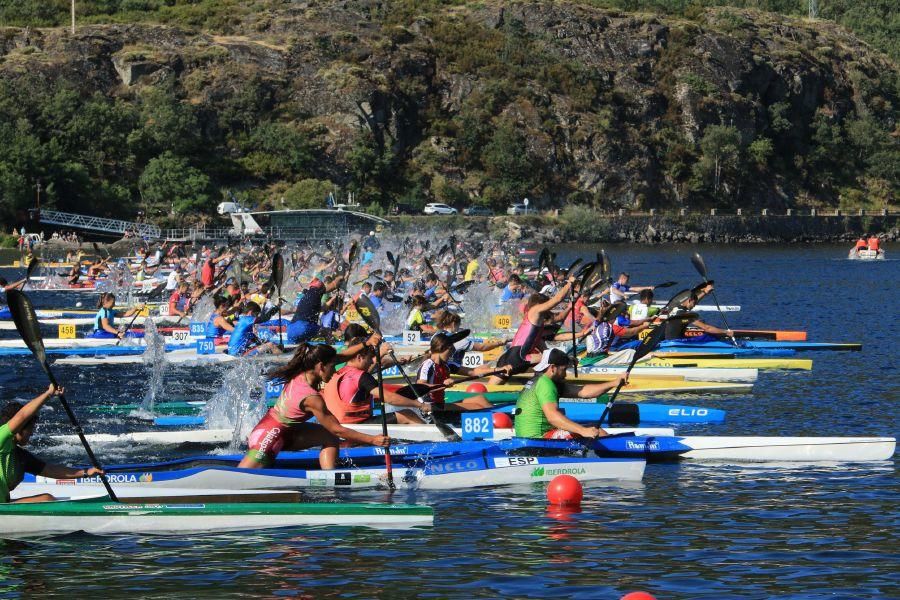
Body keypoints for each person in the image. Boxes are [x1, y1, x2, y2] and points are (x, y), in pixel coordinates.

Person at [237, 344, 391, 470]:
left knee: (329, 438)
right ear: (321, 366)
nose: (336, 370)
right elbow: (337, 429)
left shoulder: (304, 369)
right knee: (239, 481)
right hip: (269, 437)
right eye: (333, 366)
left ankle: (329, 480)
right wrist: (372, 440)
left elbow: (342, 356)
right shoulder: (311, 398)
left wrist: (365, 344)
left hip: (286, 430)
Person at [1, 384, 104, 503]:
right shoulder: (1, 438)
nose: (32, 433)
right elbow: (22, 415)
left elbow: (50, 470)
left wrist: (86, 472)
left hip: (3, 504)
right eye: (30, 428)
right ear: (18, 429)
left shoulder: (20, 457)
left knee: (46, 498)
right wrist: (48, 394)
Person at [513, 348, 628, 440]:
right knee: (599, 433)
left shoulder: (541, 380)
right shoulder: (545, 385)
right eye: (563, 370)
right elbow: (553, 417)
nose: (565, 375)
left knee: (589, 429)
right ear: (553, 368)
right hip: (538, 438)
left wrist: (614, 382)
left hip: (525, 437)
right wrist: (583, 431)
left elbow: (584, 392)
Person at [323, 338, 429, 425]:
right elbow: (389, 399)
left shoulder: (337, 374)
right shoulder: (361, 376)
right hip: (356, 426)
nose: (371, 362)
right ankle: (432, 442)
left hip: (336, 426)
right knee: (407, 414)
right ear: (359, 357)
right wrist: (420, 405)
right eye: (369, 358)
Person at [492, 275, 577, 382]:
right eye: (546, 304)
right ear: (540, 304)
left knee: (492, 388)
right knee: (557, 359)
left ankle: (536, 385)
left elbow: (559, 318)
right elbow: (557, 299)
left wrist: (570, 307)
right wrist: (569, 283)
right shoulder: (534, 310)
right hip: (517, 356)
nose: (548, 309)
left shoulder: (539, 325)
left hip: (515, 358)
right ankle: (543, 386)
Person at [417, 333, 510, 411]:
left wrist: (498, 370)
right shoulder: (428, 365)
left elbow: (473, 372)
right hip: (430, 408)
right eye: (451, 350)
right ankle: (498, 422)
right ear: (442, 347)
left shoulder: (447, 365)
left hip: (440, 404)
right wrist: (442, 385)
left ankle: (498, 417)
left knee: (480, 399)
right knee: (478, 407)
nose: (452, 353)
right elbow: (420, 387)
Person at [287, 273, 345, 344]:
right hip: (304, 327)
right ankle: (331, 350)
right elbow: (332, 286)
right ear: (320, 288)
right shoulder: (316, 292)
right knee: (326, 332)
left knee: (299, 346)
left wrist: (333, 298)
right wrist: (340, 277)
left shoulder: (307, 295)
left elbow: (322, 309)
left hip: (291, 329)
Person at [664, 292, 733, 342]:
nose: (694, 306)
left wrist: (705, 292)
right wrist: (725, 332)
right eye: (694, 303)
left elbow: (692, 299)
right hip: (678, 342)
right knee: (711, 336)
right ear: (689, 301)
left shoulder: (674, 308)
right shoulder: (685, 314)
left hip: (669, 340)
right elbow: (707, 328)